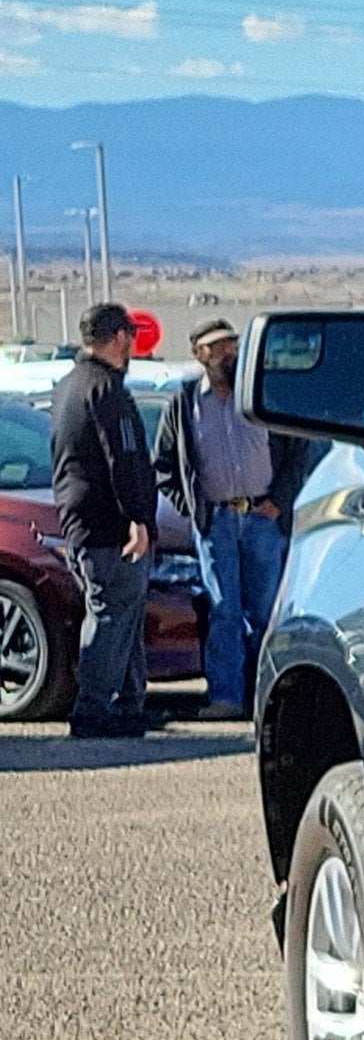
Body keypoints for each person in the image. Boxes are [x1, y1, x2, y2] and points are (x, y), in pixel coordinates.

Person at [158, 317, 300, 723]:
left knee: (266, 612)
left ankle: (269, 699)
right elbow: (164, 467)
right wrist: (195, 508)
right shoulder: (184, 404)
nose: (228, 354)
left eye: (232, 345)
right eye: (218, 347)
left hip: (262, 519)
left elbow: (296, 453)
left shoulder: (261, 397)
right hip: (216, 522)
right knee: (223, 610)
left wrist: (277, 503)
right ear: (198, 354)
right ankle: (226, 697)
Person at [45, 303, 158, 741]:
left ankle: (129, 706)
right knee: (111, 614)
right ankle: (93, 708)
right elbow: (123, 458)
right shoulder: (106, 389)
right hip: (109, 526)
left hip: (79, 521)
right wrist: (138, 518)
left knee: (123, 615)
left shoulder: (68, 385)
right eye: (130, 336)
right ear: (119, 337)